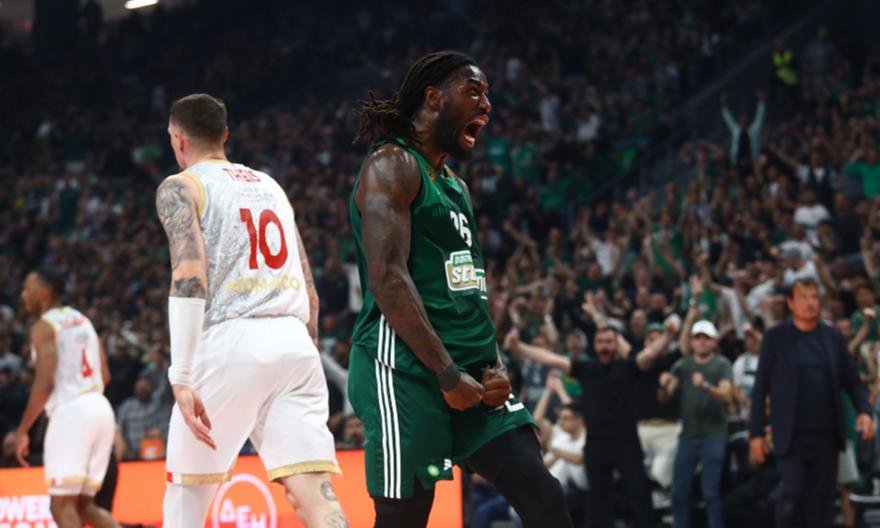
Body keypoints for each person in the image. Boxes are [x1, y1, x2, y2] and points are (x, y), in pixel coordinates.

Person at [348, 51, 572, 528]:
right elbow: (387, 277)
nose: (486, 105)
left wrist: (495, 363)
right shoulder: (391, 165)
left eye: (487, 94)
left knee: (544, 496)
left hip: (471, 375)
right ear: (433, 98)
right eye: (474, 91)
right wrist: (447, 374)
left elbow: (468, 287)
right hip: (405, 370)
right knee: (405, 519)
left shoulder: (455, 186)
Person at [156, 93, 347, 527]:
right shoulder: (270, 185)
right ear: (225, 134)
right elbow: (309, 288)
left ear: (177, 138)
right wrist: (305, 349)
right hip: (295, 342)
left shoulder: (181, 186)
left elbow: (189, 275)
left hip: (231, 341)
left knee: (184, 505)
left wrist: (181, 375)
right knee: (315, 496)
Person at [507, 321, 677, 527]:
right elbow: (552, 359)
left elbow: (649, 354)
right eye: (600, 342)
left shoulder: (628, 367)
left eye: (609, 342)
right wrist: (519, 347)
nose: (604, 346)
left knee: (639, 493)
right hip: (596, 443)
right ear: (595, 345)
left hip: (626, 443)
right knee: (598, 500)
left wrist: (668, 335)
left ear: (617, 344)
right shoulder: (587, 368)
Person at [749, 277, 875, 528]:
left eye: (814, 297)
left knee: (822, 503)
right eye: (803, 298)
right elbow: (761, 387)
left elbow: (852, 380)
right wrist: (756, 434)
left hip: (827, 434)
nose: (810, 303)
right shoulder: (776, 337)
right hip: (791, 433)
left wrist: (864, 410)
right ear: (791, 303)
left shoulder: (832, 336)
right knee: (792, 491)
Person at [13, 268, 118, 528]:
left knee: (61, 505)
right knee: (84, 505)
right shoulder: (83, 320)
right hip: (101, 408)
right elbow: (105, 375)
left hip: (72, 413)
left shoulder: (43, 327)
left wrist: (23, 430)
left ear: (45, 292)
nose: (23, 294)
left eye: (28, 288)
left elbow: (46, 383)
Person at [658, 319, 733, 528]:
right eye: (697, 337)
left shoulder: (722, 365)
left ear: (713, 342)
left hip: (714, 435)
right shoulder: (684, 365)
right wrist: (663, 385)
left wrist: (706, 386)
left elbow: (727, 396)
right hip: (688, 435)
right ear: (691, 342)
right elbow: (664, 397)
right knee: (679, 492)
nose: (701, 342)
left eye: (706, 338)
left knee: (711, 492)